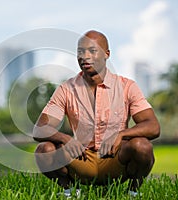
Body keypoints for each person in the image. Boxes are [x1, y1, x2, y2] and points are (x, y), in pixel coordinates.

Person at [33, 30, 160, 197]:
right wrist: (66, 138)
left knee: (142, 146)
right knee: (44, 150)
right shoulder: (66, 89)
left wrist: (121, 134)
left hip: (115, 159)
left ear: (107, 54)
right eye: (80, 51)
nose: (85, 56)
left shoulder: (127, 86)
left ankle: (133, 193)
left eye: (92, 51)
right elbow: (39, 129)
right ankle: (70, 191)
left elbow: (153, 126)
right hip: (81, 158)